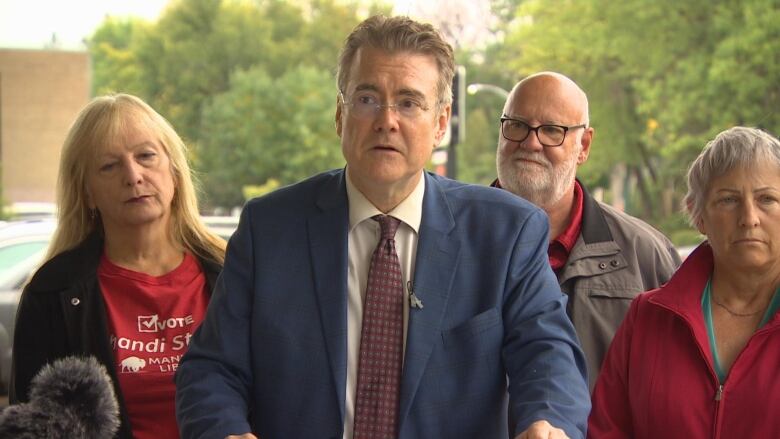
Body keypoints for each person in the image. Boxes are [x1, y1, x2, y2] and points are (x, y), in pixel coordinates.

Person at [176, 15, 589, 439]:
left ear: (441, 123)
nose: (387, 120)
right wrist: (224, 431)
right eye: (368, 99)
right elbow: (212, 370)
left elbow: (549, 354)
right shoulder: (269, 229)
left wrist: (547, 423)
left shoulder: (505, 233)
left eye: (409, 102)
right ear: (340, 114)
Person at [10, 93, 226, 439]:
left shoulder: (232, 272)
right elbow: (32, 427)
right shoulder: (53, 291)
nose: (133, 175)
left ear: (173, 170)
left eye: (146, 156)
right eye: (109, 166)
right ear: (88, 193)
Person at [588, 127, 780, 438]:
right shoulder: (647, 318)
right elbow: (607, 430)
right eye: (728, 200)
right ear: (698, 215)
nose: (749, 217)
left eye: (767, 199)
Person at [493, 72, 681, 389]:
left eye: (552, 130)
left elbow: (677, 389)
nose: (530, 142)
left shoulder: (645, 256)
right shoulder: (450, 244)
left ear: (584, 145)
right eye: (517, 125)